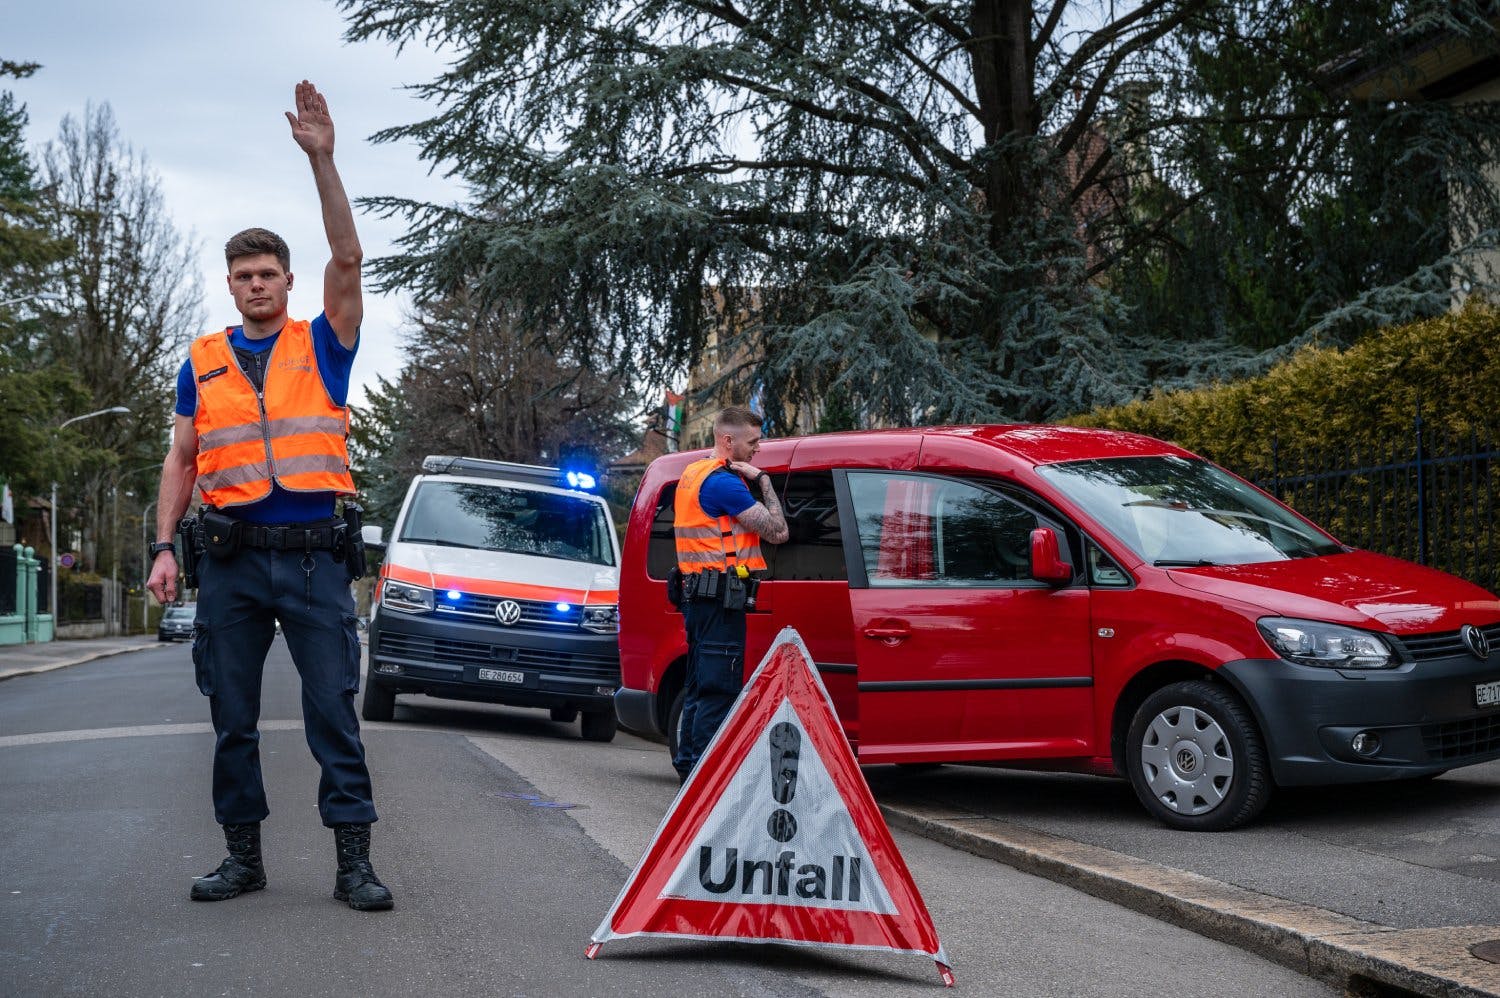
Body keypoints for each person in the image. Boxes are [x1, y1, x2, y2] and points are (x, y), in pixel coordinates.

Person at [145, 81, 392, 912]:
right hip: (232, 564)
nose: (256, 284)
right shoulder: (202, 361)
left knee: (333, 717)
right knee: (233, 721)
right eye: (243, 275)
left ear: (289, 282)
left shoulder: (325, 343)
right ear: (231, 283)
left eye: (268, 274)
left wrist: (324, 159)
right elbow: (181, 458)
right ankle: (242, 858)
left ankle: (353, 862)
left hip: (319, 561)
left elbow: (350, 259)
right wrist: (160, 547)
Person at [671, 406, 790, 783]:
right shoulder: (723, 482)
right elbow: (777, 532)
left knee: (698, 686)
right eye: (752, 442)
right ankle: (706, 780)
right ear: (728, 441)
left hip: (698, 597)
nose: (757, 450)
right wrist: (765, 482)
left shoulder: (692, 473)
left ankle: (689, 768)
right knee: (719, 690)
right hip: (719, 600)